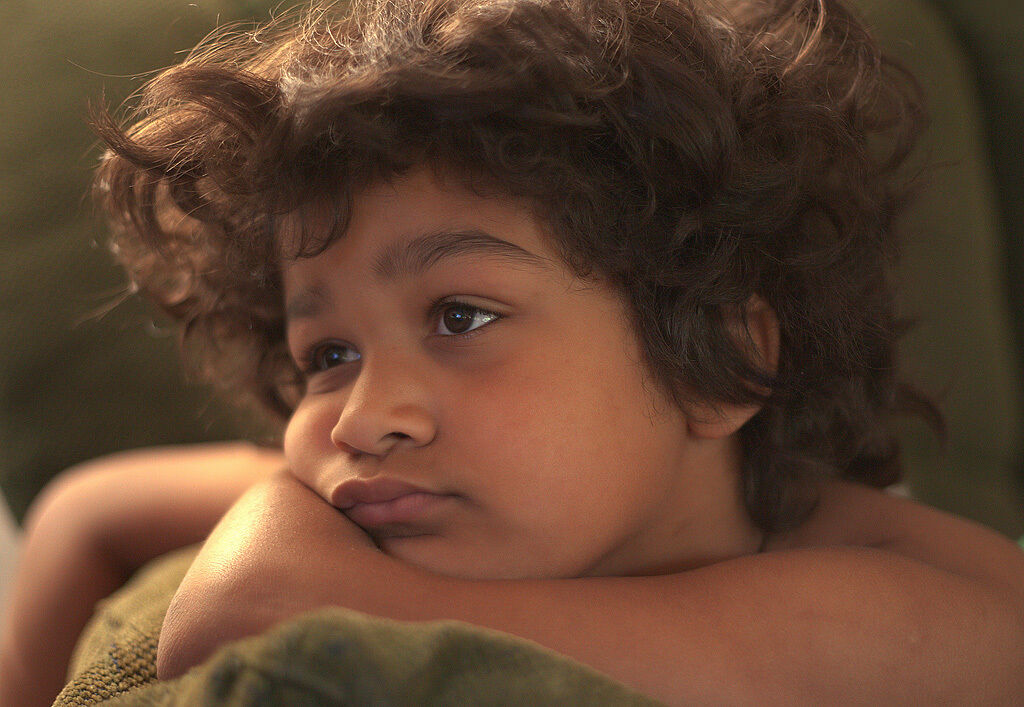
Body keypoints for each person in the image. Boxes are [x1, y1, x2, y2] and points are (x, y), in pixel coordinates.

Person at [3, 0, 1024, 704]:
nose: (362, 418)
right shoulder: (396, 494)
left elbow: (247, 602)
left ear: (716, 352)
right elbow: (88, 511)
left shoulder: (875, 600)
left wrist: (285, 526)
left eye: (459, 317)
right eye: (328, 353)